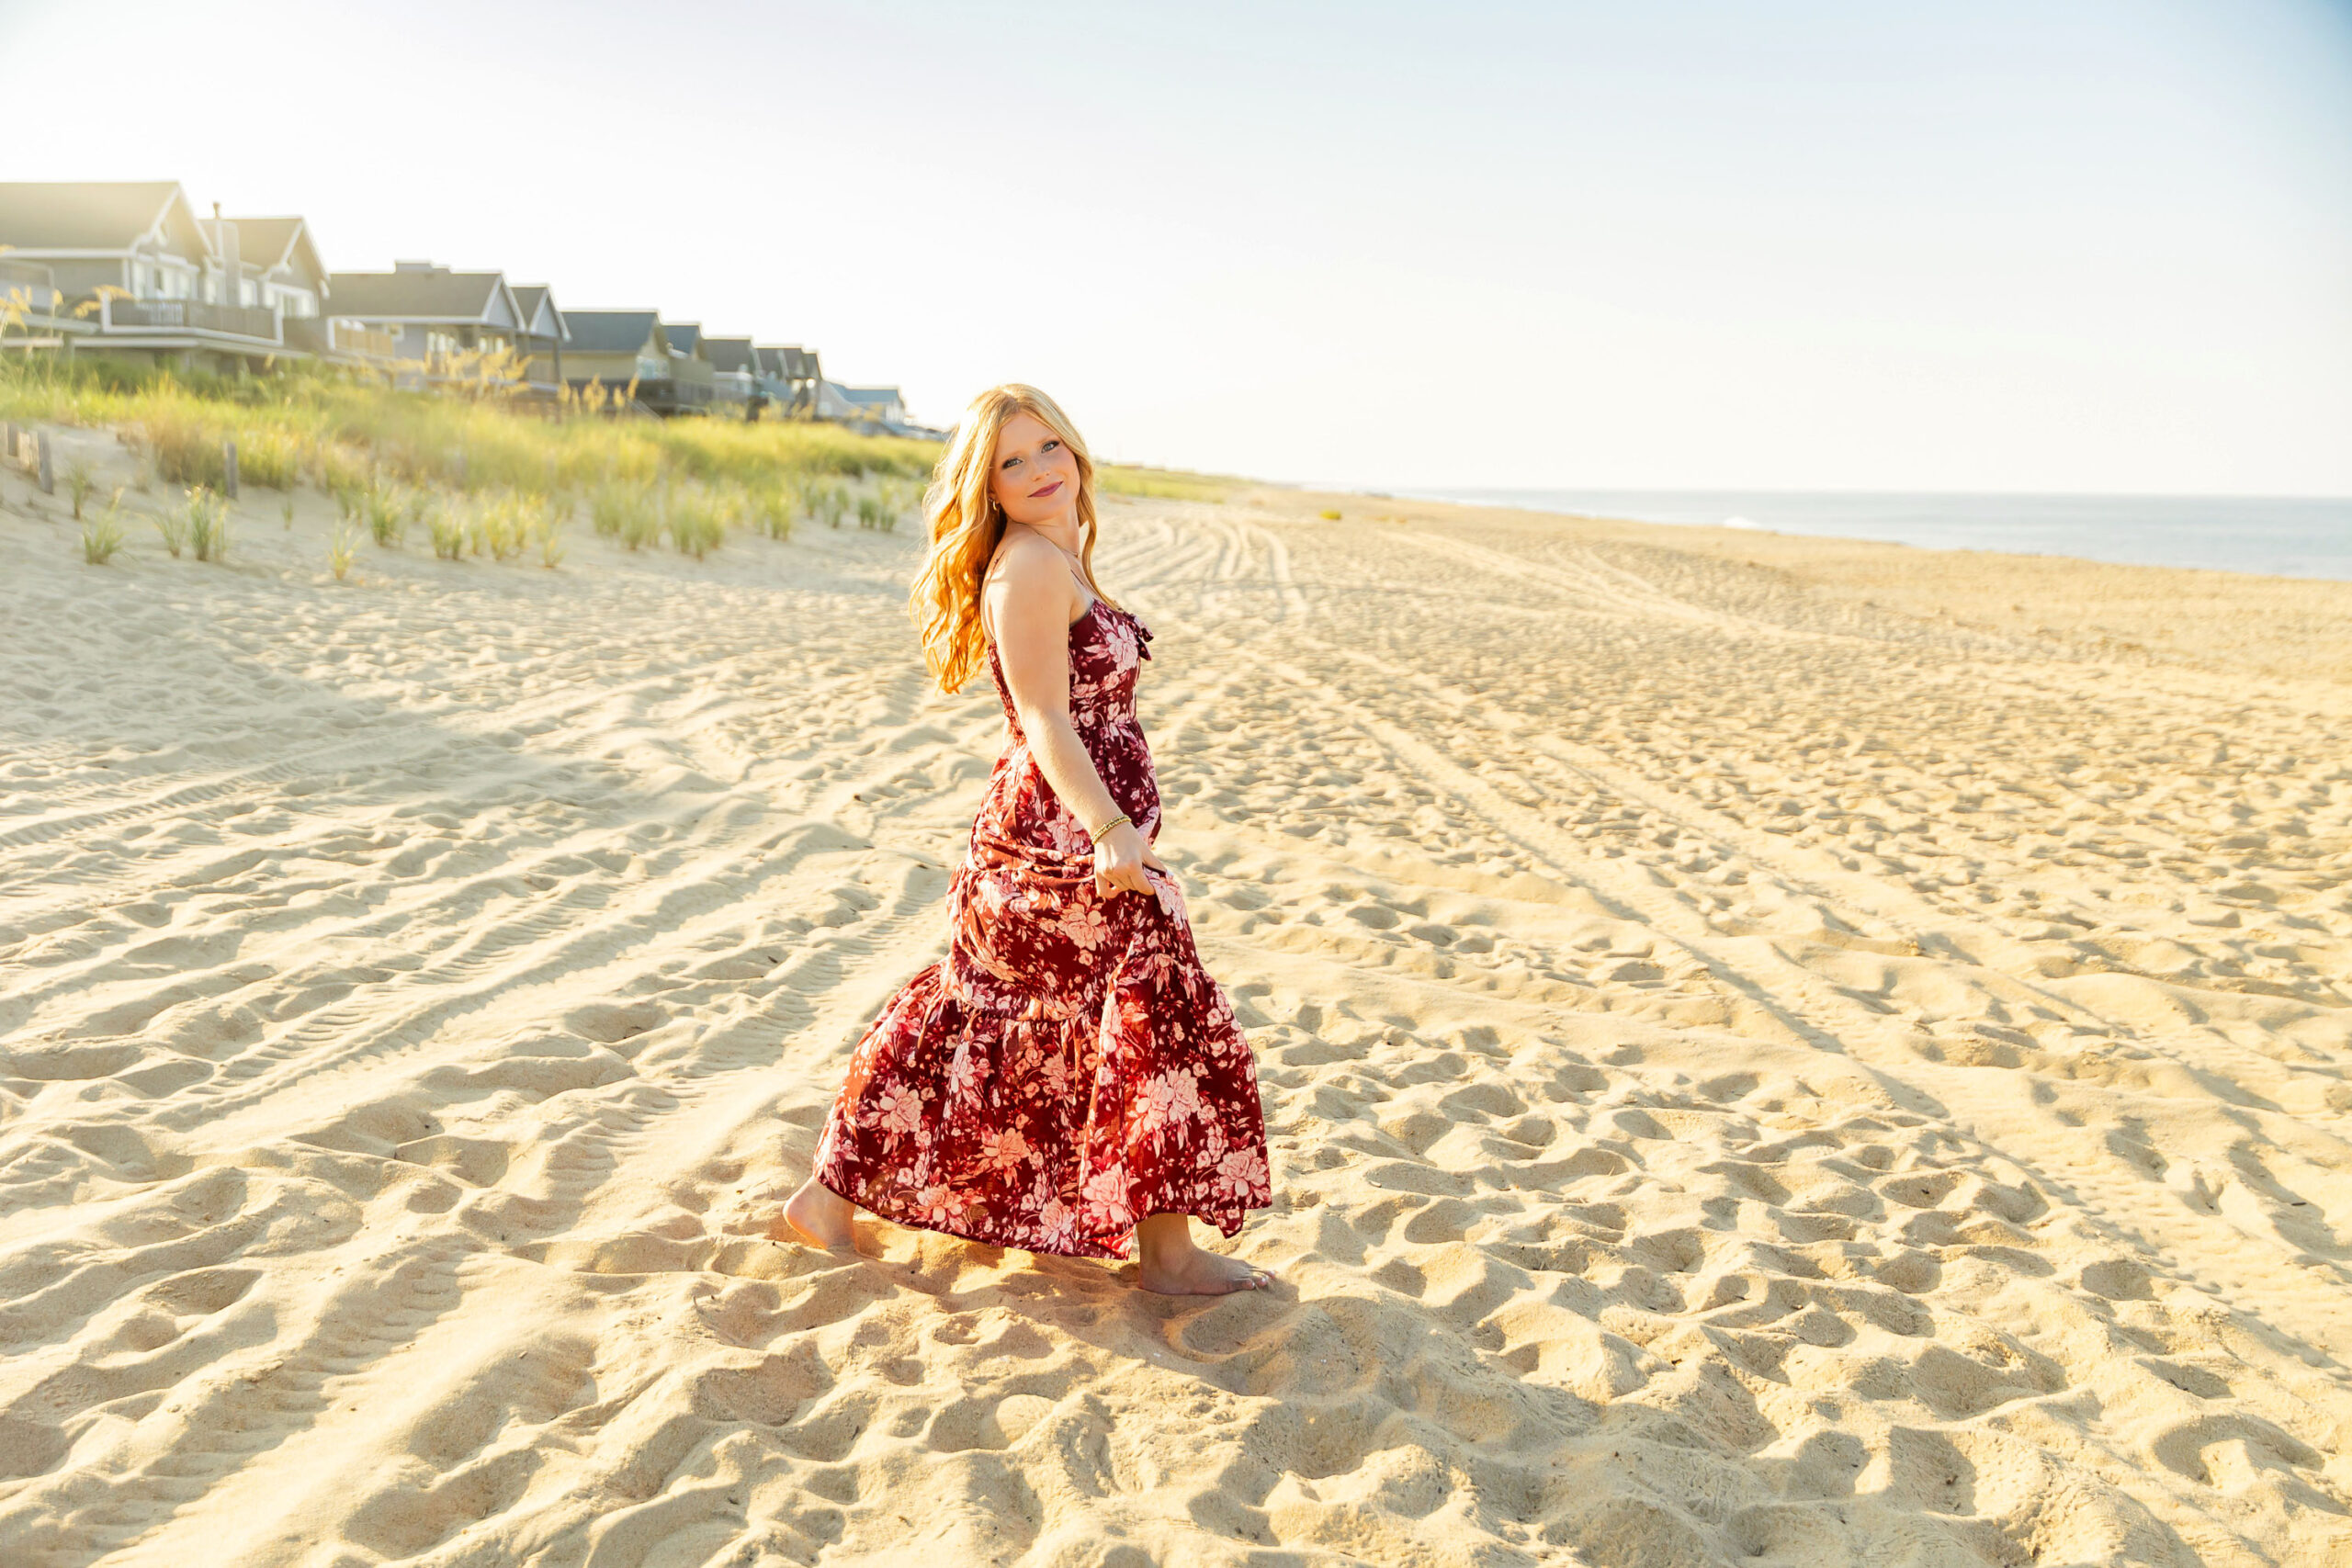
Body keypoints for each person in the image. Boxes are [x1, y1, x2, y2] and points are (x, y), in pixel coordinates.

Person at [775, 384, 1276, 1294]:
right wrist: (1110, 828)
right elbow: (1045, 716)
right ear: (989, 487)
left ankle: (830, 1198)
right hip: (1054, 845)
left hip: (1080, 835)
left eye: (1049, 448)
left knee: (1053, 1011)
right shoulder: (1029, 570)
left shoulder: (1061, 554)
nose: (1041, 470)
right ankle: (1163, 1258)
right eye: (1013, 462)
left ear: (1076, 452)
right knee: (1073, 1006)